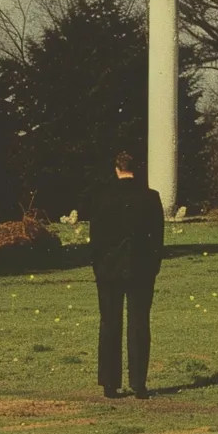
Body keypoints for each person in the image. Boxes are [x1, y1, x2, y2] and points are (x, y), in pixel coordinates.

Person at [90, 150, 164, 399]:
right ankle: (138, 383)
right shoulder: (151, 198)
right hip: (141, 268)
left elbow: (96, 239)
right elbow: (158, 238)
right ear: (138, 167)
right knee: (139, 323)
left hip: (109, 269)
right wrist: (153, 265)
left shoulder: (102, 197)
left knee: (109, 323)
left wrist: (98, 266)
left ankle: (110, 383)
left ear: (116, 168)